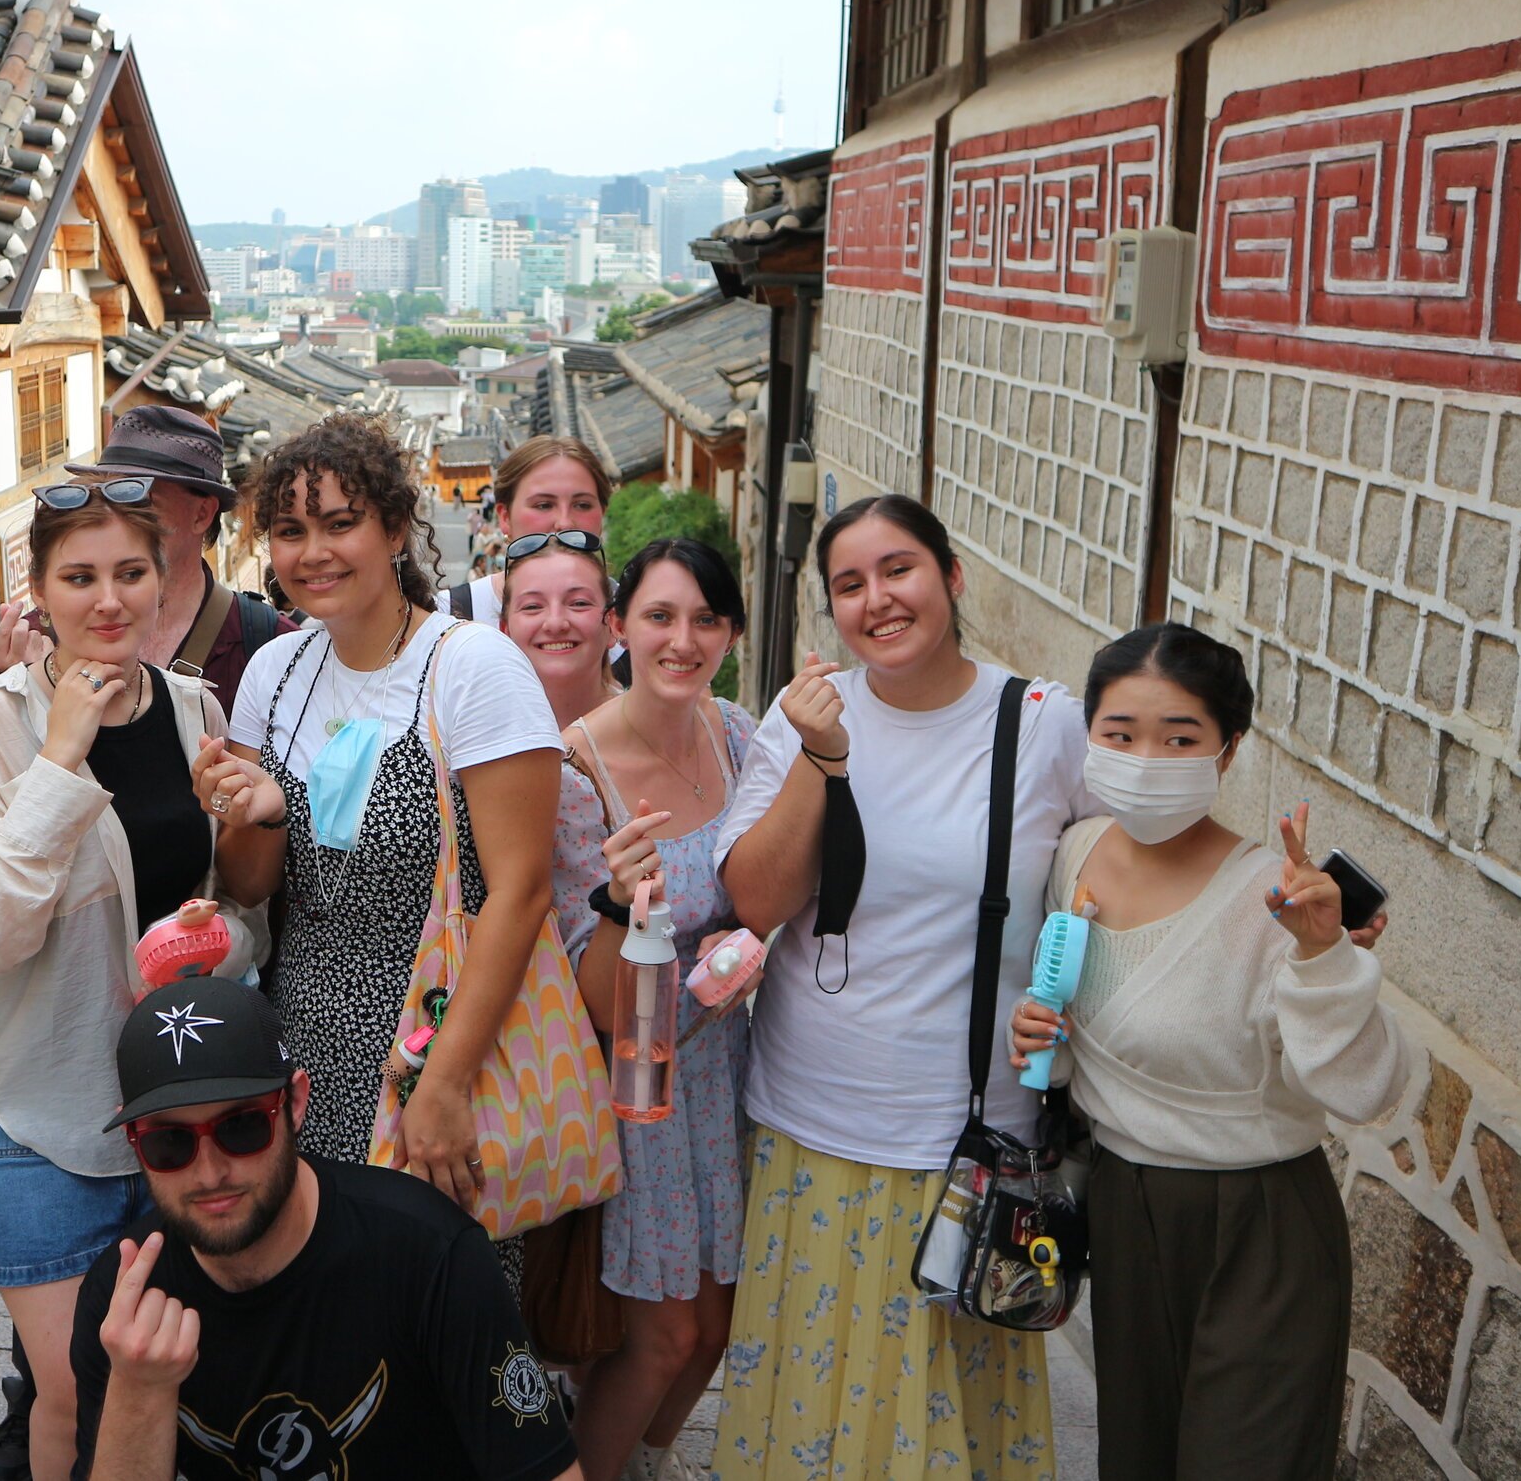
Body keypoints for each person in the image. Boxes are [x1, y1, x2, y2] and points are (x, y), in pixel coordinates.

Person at [707, 493, 1095, 1481]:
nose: (876, 597)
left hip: (968, 1143)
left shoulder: (1044, 724)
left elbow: (1117, 875)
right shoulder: (800, 721)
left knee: (942, 1428)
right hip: (814, 1123)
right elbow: (754, 897)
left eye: (899, 569)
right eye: (848, 583)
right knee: (819, 1410)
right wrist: (818, 757)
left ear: (951, 578)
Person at [0, 478, 269, 1481]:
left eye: (129, 571)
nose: (107, 599)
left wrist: (214, 932)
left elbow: (236, 920)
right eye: (78, 576)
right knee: (70, 1390)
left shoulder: (196, 708)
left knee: (172, 1380)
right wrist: (62, 754)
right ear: (38, 591)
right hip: (29, 1112)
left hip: (173, 1108)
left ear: (164, 580)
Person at [1007, 623, 1407, 1481]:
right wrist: (1042, 1034)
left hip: (1257, 1225)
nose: (1146, 757)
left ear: (1227, 751)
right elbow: (1090, 1032)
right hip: (1123, 1207)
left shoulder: (1271, 898)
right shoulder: (1075, 853)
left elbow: (1368, 1087)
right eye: (1120, 733)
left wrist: (1323, 955)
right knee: (1140, 1458)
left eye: (1179, 736)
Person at [189, 413, 562, 1210]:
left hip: (442, 1031)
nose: (313, 552)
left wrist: (444, 1080)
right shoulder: (275, 671)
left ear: (395, 527)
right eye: (289, 530)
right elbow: (251, 886)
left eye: (339, 522)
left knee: (431, 1295)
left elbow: (523, 890)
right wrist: (257, 811)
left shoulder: (470, 667)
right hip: (303, 1046)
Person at [70, 978, 581, 1481]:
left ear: (294, 1104)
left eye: (241, 1127)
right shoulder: (123, 1298)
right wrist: (138, 1391)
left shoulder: (429, 1256)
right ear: (134, 1139)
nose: (209, 1173)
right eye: (169, 1143)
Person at [549, 540, 756, 1481]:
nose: (684, 639)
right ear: (621, 626)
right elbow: (578, 992)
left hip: (725, 1071)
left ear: (732, 633)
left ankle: (644, 1463)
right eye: (662, 616)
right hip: (632, 1085)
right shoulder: (574, 772)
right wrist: (614, 903)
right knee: (662, 1333)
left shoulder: (740, 737)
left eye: (706, 618)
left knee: (715, 1326)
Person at [57, 404, 290, 712]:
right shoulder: (48, 629)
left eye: (141, 500)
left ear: (202, 513)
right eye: (111, 495)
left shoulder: (269, 643)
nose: (119, 516)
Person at [448, 437, 612, 624]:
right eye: (543, 505)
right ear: (505, 517)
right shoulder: (452, 613)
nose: (564, 523)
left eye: (582, 505)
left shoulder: (634, 612)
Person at [499, 529, 621, 730]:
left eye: (579, 603)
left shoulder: (654, 736)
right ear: (505, 631)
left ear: (612, 623)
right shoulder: (467, 738)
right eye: (532, 606)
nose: (555, 623)